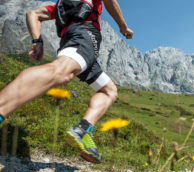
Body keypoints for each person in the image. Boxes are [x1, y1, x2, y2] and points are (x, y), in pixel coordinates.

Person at [0, 0, 133, 163]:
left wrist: (37, 42)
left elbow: (32, 14)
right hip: (85, 36)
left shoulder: (60, 6)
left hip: (72, 41)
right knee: (61, 72)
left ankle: (83, 129)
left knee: (109, 90)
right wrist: (122, 26)